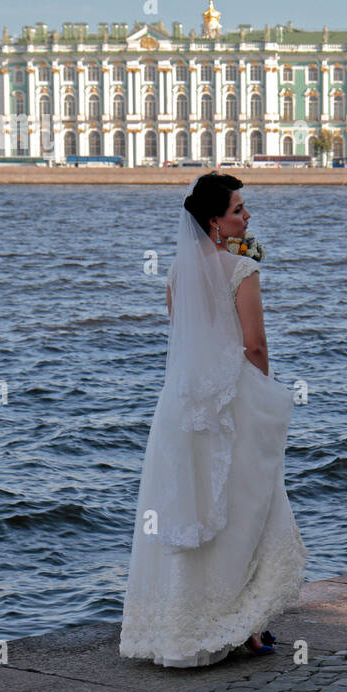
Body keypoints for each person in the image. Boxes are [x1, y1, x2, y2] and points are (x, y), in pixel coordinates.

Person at [119, 172, 307, 667]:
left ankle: (188, 625)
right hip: (229, 403)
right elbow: (256, 346)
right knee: (247, 506)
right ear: (214, 222)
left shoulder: (178, 274)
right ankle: (239, 623)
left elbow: (187, 340)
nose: (248, 216)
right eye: (239, 211)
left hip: (182, 407)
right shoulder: (241, 271)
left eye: (245, 208)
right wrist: (260, 395)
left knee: (192, 509)